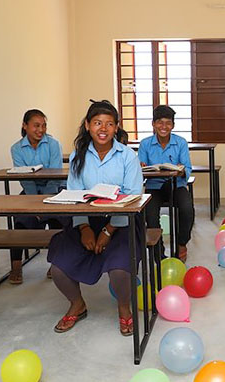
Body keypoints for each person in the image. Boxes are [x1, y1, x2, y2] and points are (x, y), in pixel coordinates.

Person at [47, 100, 144, 336]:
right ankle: (77, 305)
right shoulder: (78, 157)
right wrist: (83, 228)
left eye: (109, 124)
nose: (103, 128)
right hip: (86, 220)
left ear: (116, 128)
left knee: (121, 270)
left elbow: (133, 195)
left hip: (122, 222)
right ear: (88, 125)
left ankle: (124, 309)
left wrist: (109, 229)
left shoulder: (127, 156)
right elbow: (74, 194)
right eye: (98, 123)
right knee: (59, 268)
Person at [8, 109, 66, 284]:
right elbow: (25, 178)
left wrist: (44, 203)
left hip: (54, 189)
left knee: (60, 222)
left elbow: (55, 174)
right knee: (20, 221)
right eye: (36, 125)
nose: (41, 129)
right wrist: (34, 204)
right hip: (31, 191)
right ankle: (16, 265)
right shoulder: (16, 148)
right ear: (25, 126)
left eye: (44, 125)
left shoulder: (53, 144)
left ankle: (55, 263)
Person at [138, 105, 194, 262]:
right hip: (154, 187)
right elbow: (140, 169)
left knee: (187, 209)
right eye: (160, 123)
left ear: (173, 125)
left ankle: (182, 243)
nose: (164, 127)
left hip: (176, 184)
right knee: (151, 215)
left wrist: (181, 170)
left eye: (168, 123)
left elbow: (187, 167)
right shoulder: (145, 144)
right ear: (153, 124)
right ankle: (158, 252)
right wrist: (142, 167)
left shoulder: (181, 142)